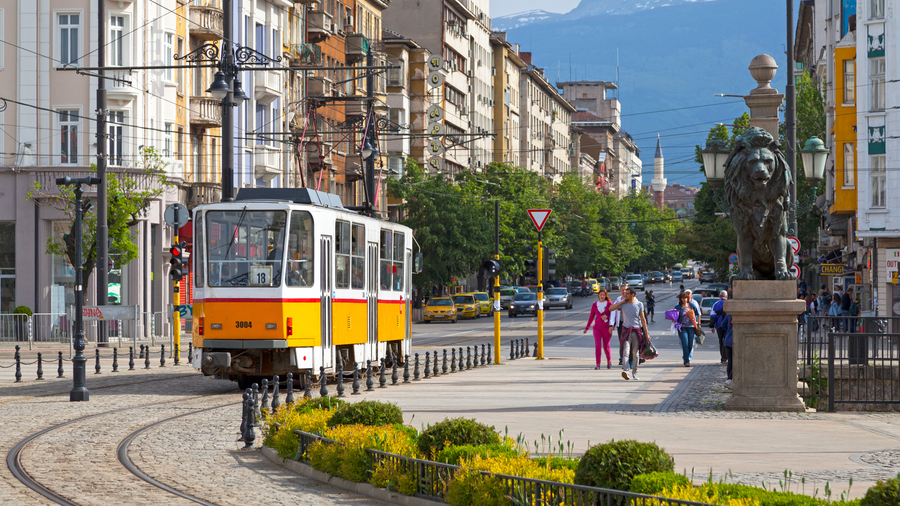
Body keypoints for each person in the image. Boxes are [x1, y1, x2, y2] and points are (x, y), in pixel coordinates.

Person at [608, 287, 650, 381]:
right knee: (625, 352)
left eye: (627, 293)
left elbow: (643, 320)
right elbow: (611, 308)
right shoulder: (623, 304)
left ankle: (635, 372)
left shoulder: (639, 304)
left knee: (635, 354)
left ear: (632, 295)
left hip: (636, 331)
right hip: (626, 331)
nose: (624, 294)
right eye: (624, 292)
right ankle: (626, 371)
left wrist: (646, 334)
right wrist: (621, 302)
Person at [584, 289, 614, 369]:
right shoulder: (594, 305)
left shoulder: (609, 304)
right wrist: (587, 327)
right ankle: (598, 364)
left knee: (606, 346)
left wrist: (607, 317)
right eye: (600, 294)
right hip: (597, 328)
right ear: (598, 295)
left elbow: (613, 316)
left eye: (603, 295)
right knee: (598, 345)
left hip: (607, 328)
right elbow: (591, 317)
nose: (602, 296)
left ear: (606, 295)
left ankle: (608, 361)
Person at [674, 291, 700, 367]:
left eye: (685, 298)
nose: (684, 299)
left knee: (690, 344)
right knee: (685, 343)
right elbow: (674, 316)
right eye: (683, 298)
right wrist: (674, 319)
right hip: (682, 327)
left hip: (691, 327)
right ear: (680, 299)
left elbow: (697, 314)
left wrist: (695, 319)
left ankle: (686, 356)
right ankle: (686, 361)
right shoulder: (678, 307)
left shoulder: (692, 306)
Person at [609, 284, 628, 366]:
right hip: (620, 324)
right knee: (622, 340)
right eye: (622, 290)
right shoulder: (617, 300)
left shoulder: (632, 299)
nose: (624, 291)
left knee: (630, 341)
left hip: (630, 323)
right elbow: (613, 312)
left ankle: (630, 358)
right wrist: (611, 324)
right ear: (620, 291)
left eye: (625, 290)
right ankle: (621, 358)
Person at [709, 290, 728, 364]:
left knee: (721, 341)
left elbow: (713, 316)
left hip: (719, 325)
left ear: (719, 296)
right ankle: (727, 356)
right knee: (728, 341)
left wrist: (712, 327)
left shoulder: (715, 304)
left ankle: (723, 358)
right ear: (726, 296)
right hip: (728, 326)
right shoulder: (729, 303)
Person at [722, 310, 734, 388]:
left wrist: (729, 330)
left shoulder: (729, 314)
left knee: (730, 361)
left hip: (728, 341)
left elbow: (723, 325)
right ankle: (730, 379)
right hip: (736, 342)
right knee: (737, 362)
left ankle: (729, 380)